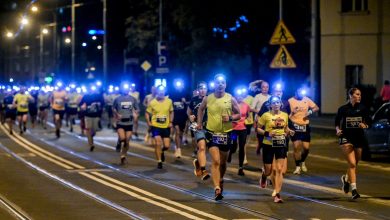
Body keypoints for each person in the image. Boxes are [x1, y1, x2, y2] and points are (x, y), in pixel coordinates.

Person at [197, 74, 240, 201]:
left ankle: (221, 178)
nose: (220, 85)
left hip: (226, 134)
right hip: (211, 133)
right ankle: (217, 188)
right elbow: (200, 110)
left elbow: (239, 114)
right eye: (217, 83)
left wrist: (231, 118)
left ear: (225, 85)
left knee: (223, 162)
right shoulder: (207, 98)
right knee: (215, 161)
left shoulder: (230, 98)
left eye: (222, 82)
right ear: (214, 85)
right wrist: (199, 123)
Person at [335, 88, 370, 200]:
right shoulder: (343, 109)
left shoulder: (363, 108)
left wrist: (365, 125)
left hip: (358, 138)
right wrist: (337, 130)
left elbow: (368, 121)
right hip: (346, 138)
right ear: (350, 95)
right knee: (352, 164)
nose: (359, 96)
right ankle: (354, 190)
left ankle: (346, 179)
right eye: (357, 94)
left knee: (355, 162)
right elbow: (337, 122)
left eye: (360, 95)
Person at [257, 96, 293, 203]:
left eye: (278, 102)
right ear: (270, 105)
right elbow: (258, 129)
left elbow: (285, 127)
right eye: (274, 102)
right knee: (268, 171)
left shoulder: (285, 115)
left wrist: (289, 131)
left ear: (280, 104)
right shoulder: (265, 115)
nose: (276, 104)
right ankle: (264, 175)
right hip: (268, 144)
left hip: (281, 144)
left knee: (279, 169)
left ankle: (277, 194)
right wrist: (267, 133)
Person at [288, 87, 319, 175]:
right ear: (296, 92)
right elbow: (286, 114)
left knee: (306, 148)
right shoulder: (290, 101)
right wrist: (292, 113)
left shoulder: (306, 99)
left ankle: (303, 161)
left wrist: (309, 112)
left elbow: (316, 108)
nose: (301, 94)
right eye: (299, 92)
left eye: (302, 92)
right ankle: (297, 167)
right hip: (294, 126)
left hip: (305, 126)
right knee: (296, 147)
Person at [145, 85, 174, 169]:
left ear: (165, 92)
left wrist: (171, 122)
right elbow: (147, 113)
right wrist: (149, 122)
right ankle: (159, 161)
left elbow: (171, 112)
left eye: (163, 91)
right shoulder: (153, 102)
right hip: (156, 126)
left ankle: (162, 152)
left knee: (166, 146)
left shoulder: (169, 101)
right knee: (158, 143)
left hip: (166, 126)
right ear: (157, 92)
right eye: (159, 91)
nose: (161, 93)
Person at [188, 82, 210, 180]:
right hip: (198, 126)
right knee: (202, 147)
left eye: (204, 88)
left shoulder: (211, 99)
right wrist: (190, 116)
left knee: (208, 149)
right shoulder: (194, 100)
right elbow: (188, 111)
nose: (202, 90)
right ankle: (204, 170)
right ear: (198, 90)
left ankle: (198, 162)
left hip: (210, 127)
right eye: (200, 88)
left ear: (207, 90)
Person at [113, 85, 139, 165]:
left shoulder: (133, 99)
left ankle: (123, 156)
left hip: (129, 122)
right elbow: (113, 108)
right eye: (124, 89)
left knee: (127, 141)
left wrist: (135, 113)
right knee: (123, 138)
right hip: (120, 122)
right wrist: (117, 114)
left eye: (127, 89)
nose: (126, 90)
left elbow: (137, 109)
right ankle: (119, 142)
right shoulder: (117, 99)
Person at [227, 87, 251, 176]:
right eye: (238, 95)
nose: (240, 97)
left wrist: (245, 121)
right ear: (235, 96)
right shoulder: (231, 105)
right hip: (233, 130)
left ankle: (240, 168)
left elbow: (247, 115)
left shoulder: (246, 105)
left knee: (242, 147)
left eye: (241, 95)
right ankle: (230, 153)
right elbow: (228, 115)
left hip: (242, 129)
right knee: (233, 145)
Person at [79, 87, 105, 151]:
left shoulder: (99, 96)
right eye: (90, 89)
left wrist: (99, 105)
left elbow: (103, 104)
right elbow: (81, 104)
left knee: (94, 130)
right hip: (87, 115)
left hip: (96, 115)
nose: (92, 90)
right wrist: (82, 107)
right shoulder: (85, 96)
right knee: (88, 129)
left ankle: (92, 135)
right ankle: (91, 144)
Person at [250, 80, 270, 156]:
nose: (265, 88)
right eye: (263, 87)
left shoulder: (270, 97)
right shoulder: (257, 96)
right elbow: (251, 108)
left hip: (269, 121)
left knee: (268, 138)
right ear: (261, 88)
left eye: (267, 87)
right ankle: (259, 147)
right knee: (261, 139)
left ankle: (266, 150)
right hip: (259, 120)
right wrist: (259, 111)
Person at [170, 82, 188, 158]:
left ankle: (177, 145)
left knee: (180, 133)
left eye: (181, 86)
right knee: (177, 131)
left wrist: (185, 102)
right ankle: (178, 149)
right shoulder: (173, 95)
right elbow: (170, 104)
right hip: (175, 116)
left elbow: (190, 105)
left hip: (183, 117)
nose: (179, 87)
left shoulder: (186, 94)